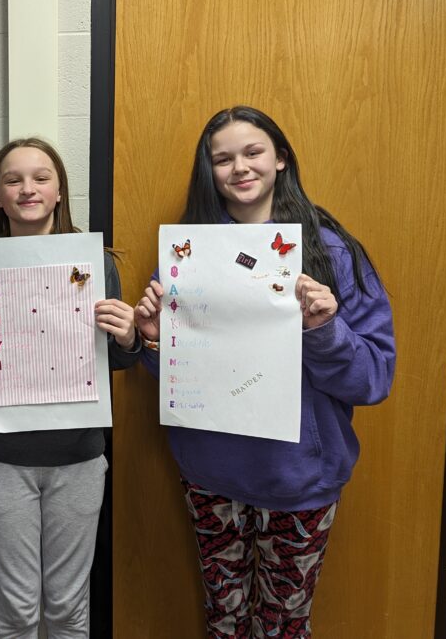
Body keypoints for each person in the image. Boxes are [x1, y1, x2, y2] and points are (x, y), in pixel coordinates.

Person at [134, 106, 395, 638]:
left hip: (299, 478)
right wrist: (155, 338)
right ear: (208, 172)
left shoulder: (330, 250)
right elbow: (173, 374)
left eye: (252, 152)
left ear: (280, 159)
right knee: (224, 619)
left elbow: (374, 378)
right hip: (211, 473)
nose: (239, 168)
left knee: (284, 625)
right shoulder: (188, 254)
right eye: (222, 159)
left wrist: (324, 329)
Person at [0, 137, 141, 638]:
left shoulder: (98, 264)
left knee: (71, 608)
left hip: (78, 456)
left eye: (41, 177)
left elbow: (117, 359)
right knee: (17, 610)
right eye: (13, 179)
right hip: (2, 457)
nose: (27, 188)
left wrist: (131, 334)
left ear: (58, 192)